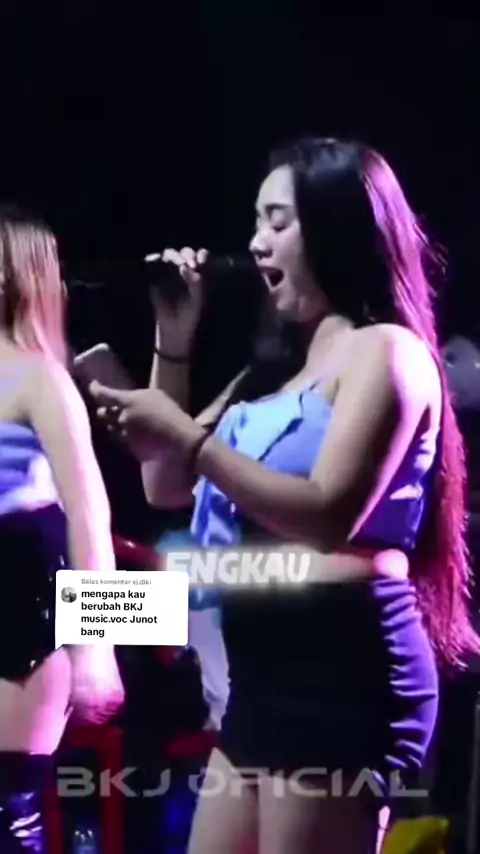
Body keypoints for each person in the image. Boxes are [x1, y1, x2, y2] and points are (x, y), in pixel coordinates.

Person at [90, 137, 480, 854]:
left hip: (341, 668)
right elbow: (165, 482)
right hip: (261, 672)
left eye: (277, 221)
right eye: (256, 222)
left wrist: (191, 439)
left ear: (336, 228)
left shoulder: (388, 352)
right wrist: (174, 343)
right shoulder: (272, 374)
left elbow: (330, 511)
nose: (255, 242)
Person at [0, 207, 124, 851]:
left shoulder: (40, 375)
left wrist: (98, 649)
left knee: (6, 812)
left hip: (21, 618)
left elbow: (90, 511)